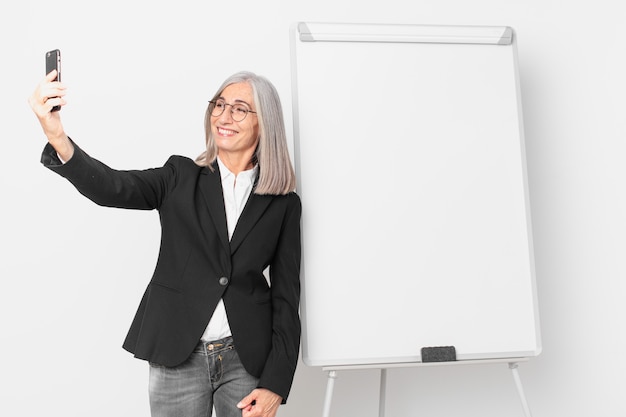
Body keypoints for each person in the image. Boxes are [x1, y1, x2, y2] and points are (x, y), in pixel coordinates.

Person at [29, 69, 302, 417]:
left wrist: (275, 384)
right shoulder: (180, 176)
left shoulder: (283, 203)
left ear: (265, 123)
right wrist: (56, 134)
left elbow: (286, 297)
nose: (224, 115)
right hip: (178, 355)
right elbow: (110, 187)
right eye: (219, 105)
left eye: (239, 108)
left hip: (246, 360)